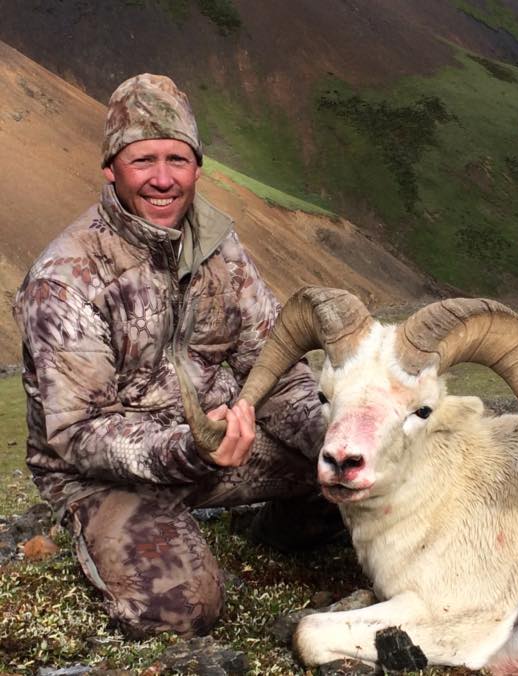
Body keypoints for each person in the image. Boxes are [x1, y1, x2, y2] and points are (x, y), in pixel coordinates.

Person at [13, 73, 333, 639]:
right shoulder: (65, 279)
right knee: (181, 608)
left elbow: (275, 373)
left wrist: (331, 435)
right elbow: (79, 433)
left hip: (213, 450)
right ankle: (110, 537)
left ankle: (276, 529)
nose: (163, 180)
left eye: (177, 160)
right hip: (104, 477)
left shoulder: (221, 251)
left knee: (352, 472)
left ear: (197, 166)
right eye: (143, 161)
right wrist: (184, 448)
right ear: (111, 168)